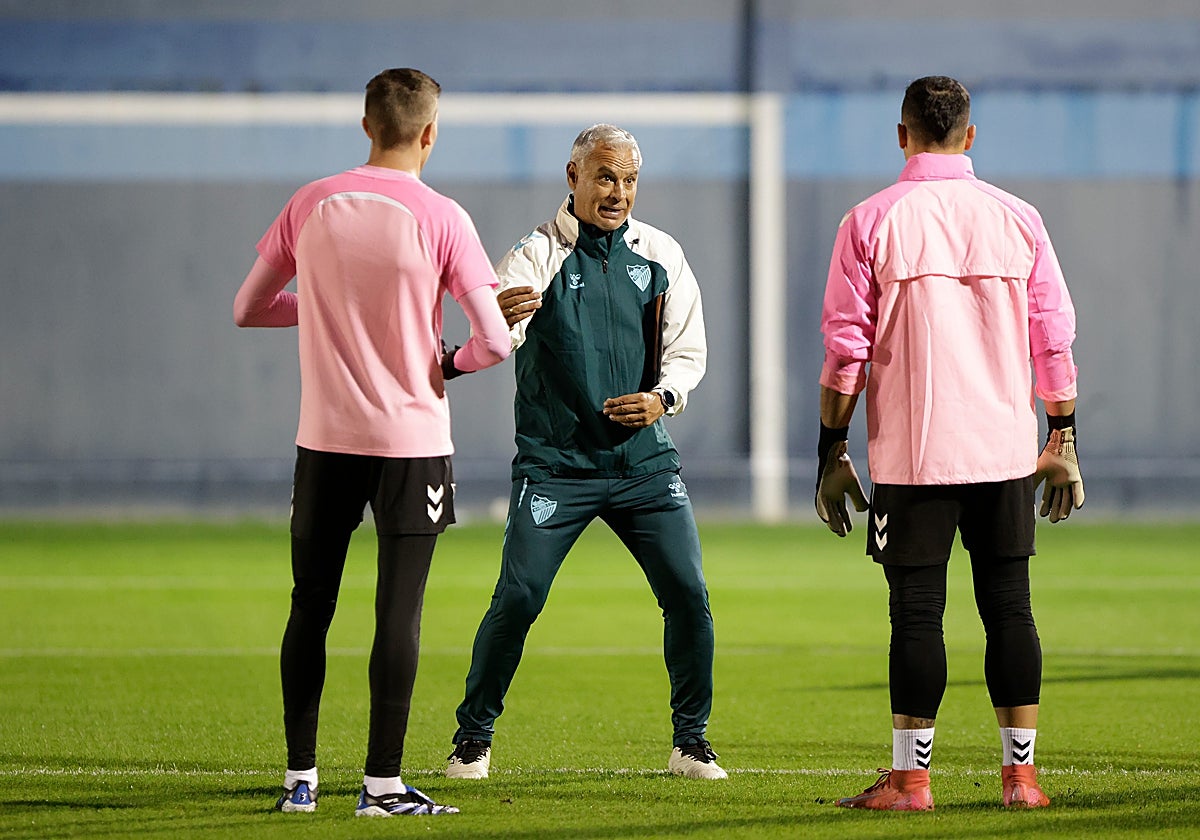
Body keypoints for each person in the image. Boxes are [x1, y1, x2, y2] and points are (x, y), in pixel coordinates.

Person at [233, 67, 510, 818]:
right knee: (399, 613)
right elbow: (493, 341)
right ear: (430, 133)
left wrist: (322, 309)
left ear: (365, 126)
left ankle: (300, 781)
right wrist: (446, 361)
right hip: (411, 439)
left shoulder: (311, 202)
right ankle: (382, 787)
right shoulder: (443, 216)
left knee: (310, 604)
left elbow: (247, 307)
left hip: (323, 440)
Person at [814, 76, 1084, 811]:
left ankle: (911, 781)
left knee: (915, 615)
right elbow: (1053, 337)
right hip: (1004, 451)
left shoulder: (870, 220)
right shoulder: (1019, 218)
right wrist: (1061, 433)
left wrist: (830, 452)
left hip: (913, 453)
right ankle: (1021, 780)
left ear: (902, 135)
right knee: (1010, 608)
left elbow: (846, 351)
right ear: (970, 137)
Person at [443, 124, 725, 780]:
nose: (618, 191)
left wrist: (664, 399)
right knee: (518, 596)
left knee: (688, 593)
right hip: (556, 467)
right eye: (604, 177)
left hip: (643, 464)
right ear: (572, 178)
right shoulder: (534, 254)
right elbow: (494, 340)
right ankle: (472, 738)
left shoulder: (661, 255)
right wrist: (499, 319)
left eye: (627, 179)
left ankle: (691, 740)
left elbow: (689, 352)